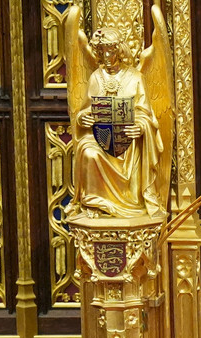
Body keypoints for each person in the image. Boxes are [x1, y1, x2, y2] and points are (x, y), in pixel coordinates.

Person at [72, 27, 164, 218]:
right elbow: (87, 108)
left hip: (128, 143)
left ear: (119, 50)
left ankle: (132, 200)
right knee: (87, 151)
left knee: (129, 148)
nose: (106, 55)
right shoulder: (95, 77)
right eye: (102, 50)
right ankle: (95, 203)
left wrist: (139, 127)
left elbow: (145, 112)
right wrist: (83, 118)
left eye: (111, 50)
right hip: (101, 139)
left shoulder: (135, 77)